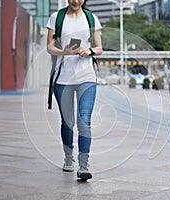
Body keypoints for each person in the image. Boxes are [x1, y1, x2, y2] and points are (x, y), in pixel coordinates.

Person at [46, 0, 102, 181]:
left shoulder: (91, 18)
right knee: (68, 122)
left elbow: (99, 48)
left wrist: (90, 51)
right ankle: (68, 158)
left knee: (84, 120)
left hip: (86, 77)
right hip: (63, 78)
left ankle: (84, 166)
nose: (76, 1)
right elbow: (49, 47)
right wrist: (65, 52)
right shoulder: (57, 17)